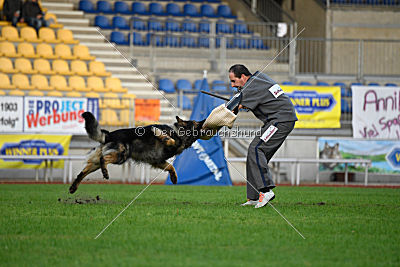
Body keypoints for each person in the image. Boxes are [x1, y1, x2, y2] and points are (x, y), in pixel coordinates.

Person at [228, 64, 297, 208]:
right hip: (278, 120)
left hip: (280, 120)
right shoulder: (259, 78)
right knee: (253, 153)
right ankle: (253, 197)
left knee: (256, 149)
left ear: (243, 77)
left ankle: (265, 191)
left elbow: (232, 109)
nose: (233, 85)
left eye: (234, 81)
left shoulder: (251, 86)